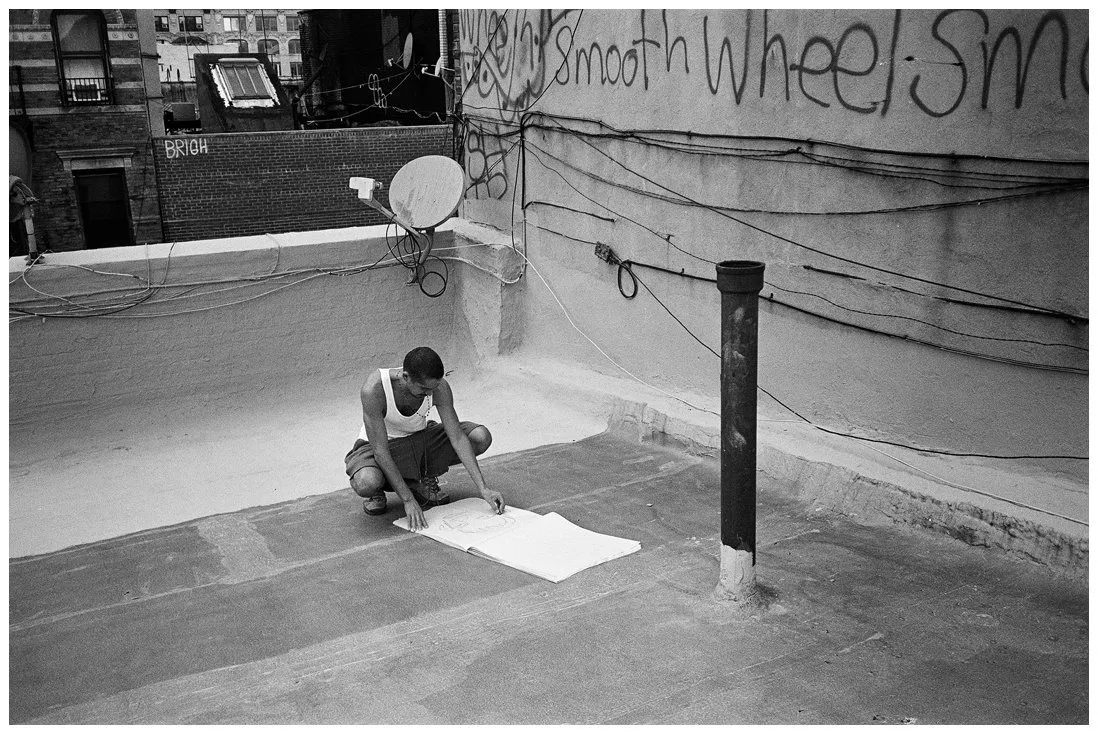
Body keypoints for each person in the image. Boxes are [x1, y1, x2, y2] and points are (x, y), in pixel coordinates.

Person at [344, 346, 504, 531]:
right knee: (367, 482)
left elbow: (458, 438)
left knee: (480, 436)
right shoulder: (374, 389)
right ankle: (383, 491)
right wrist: (407, 500)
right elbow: (381, 452)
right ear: (405, 377)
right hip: (380, 446)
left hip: (419, 441)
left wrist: (483, 488)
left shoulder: (438, 387)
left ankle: (419, 479)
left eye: (433, 388)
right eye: (423, 389)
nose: (429, 394)